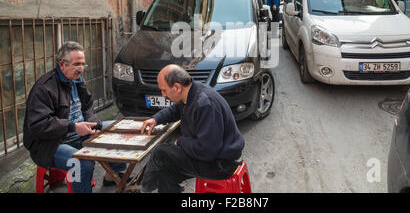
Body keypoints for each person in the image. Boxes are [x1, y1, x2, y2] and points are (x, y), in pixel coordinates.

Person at [23, 41, 127, 193]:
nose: (81, 69)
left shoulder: (77, 80)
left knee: (118, 128)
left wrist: (94, 126)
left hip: (79, 134)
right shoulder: (44, 88)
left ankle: (113, 175)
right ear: (62, 64)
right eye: (77, 64)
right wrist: (73, 127)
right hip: (50, 145)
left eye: (83, 64)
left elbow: (87, 107)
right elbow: (39, 125)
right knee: (81, 163)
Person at [138, 64, 245, 193]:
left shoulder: (205, 104)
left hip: (222, 164)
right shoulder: (190, 93)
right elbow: (175, 110)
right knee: (164, 172)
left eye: (164, 90)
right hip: (212, 154)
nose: (163, 94)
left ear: (177, 87)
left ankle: (143, 190)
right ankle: (146, 187)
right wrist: (156, 119)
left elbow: (207, 151)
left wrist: (181, 142)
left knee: (160, 153)